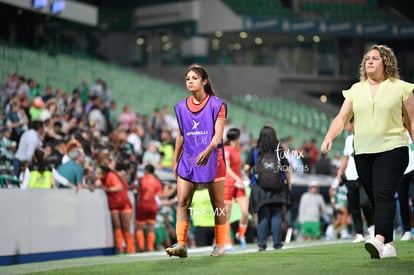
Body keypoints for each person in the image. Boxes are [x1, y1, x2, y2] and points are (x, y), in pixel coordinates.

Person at [321, 44, 414, 259]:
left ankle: (379, 239)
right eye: (367, 58)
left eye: (375, 58)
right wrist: (328, 137)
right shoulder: (356, 89)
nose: (369, 61)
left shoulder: (401, 88)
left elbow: (411, 121)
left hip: (393, 148)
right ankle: (389, 245)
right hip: (362, 151)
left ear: (386, 63)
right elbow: (341, 118)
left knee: (383, 193)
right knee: (375, 198)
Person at [165, 64, 227, 258]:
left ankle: (220, 244)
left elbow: (217, 137)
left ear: (204, 81)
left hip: (213, 158)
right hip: (189, 160)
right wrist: (175, 161)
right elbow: (181, 135)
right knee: (182, 201)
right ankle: (181, 244)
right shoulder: (181, 107)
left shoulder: (217, 105)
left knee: (217, 204)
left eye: (194, 78)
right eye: (187, 79)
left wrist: (207, 151)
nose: (190, 82)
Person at [244, 125, 291, 251]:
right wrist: (289, 184)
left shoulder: (255, 151)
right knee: (276, 215)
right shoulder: (279, 150)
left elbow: (247, 168)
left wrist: (251, 179)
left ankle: (262, 244)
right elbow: (286, 169)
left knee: (263, 215)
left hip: (260, 188)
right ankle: (277, 244)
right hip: (278, 187)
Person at [336, 118, 374, 243]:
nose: (346, 127)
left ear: (353, 123)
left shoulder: (365, 137)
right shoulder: (348, 140)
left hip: (362, 176)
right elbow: (346, 158)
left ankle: (372, 228)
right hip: (350, 177)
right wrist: (340, 172)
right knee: (354, 207)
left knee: (364, 203)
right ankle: (359, 233)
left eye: (347, 123)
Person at [95, 155, 136, 254]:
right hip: (114, 203)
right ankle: (120, 248)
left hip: (123, 202)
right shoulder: (105, 177)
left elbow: (119, 187)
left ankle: (130, 248)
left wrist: (107, 189)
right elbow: (96, 182)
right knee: (117, 226)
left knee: (124, 226)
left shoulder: (114, 175)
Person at [223, 128, 249, 251]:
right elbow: (227, 168)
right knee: (226, 215)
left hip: (239, 184)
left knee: (245, 212)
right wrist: (237, 179)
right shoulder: (227, 150)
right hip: (228, 183)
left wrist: (242, 178)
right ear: (236, 138)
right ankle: (227, 242)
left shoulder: (237, 149)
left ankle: (240, 234)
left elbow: (238, 167)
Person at [135, 164, 163, 252]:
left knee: (139, 227)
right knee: (151, 228)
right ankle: (150, 248)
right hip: (153, 206)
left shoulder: (141, 180)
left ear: (146, 171)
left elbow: (135, 187)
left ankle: (141, 248)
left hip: (142, 204)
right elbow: (159, 195)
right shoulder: (157, 181)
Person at [396, 130, 414, 241]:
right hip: (401, 172)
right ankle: (407, 231)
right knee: (402, 202)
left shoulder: (412, 130)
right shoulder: (395, 134)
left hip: (413, 170)